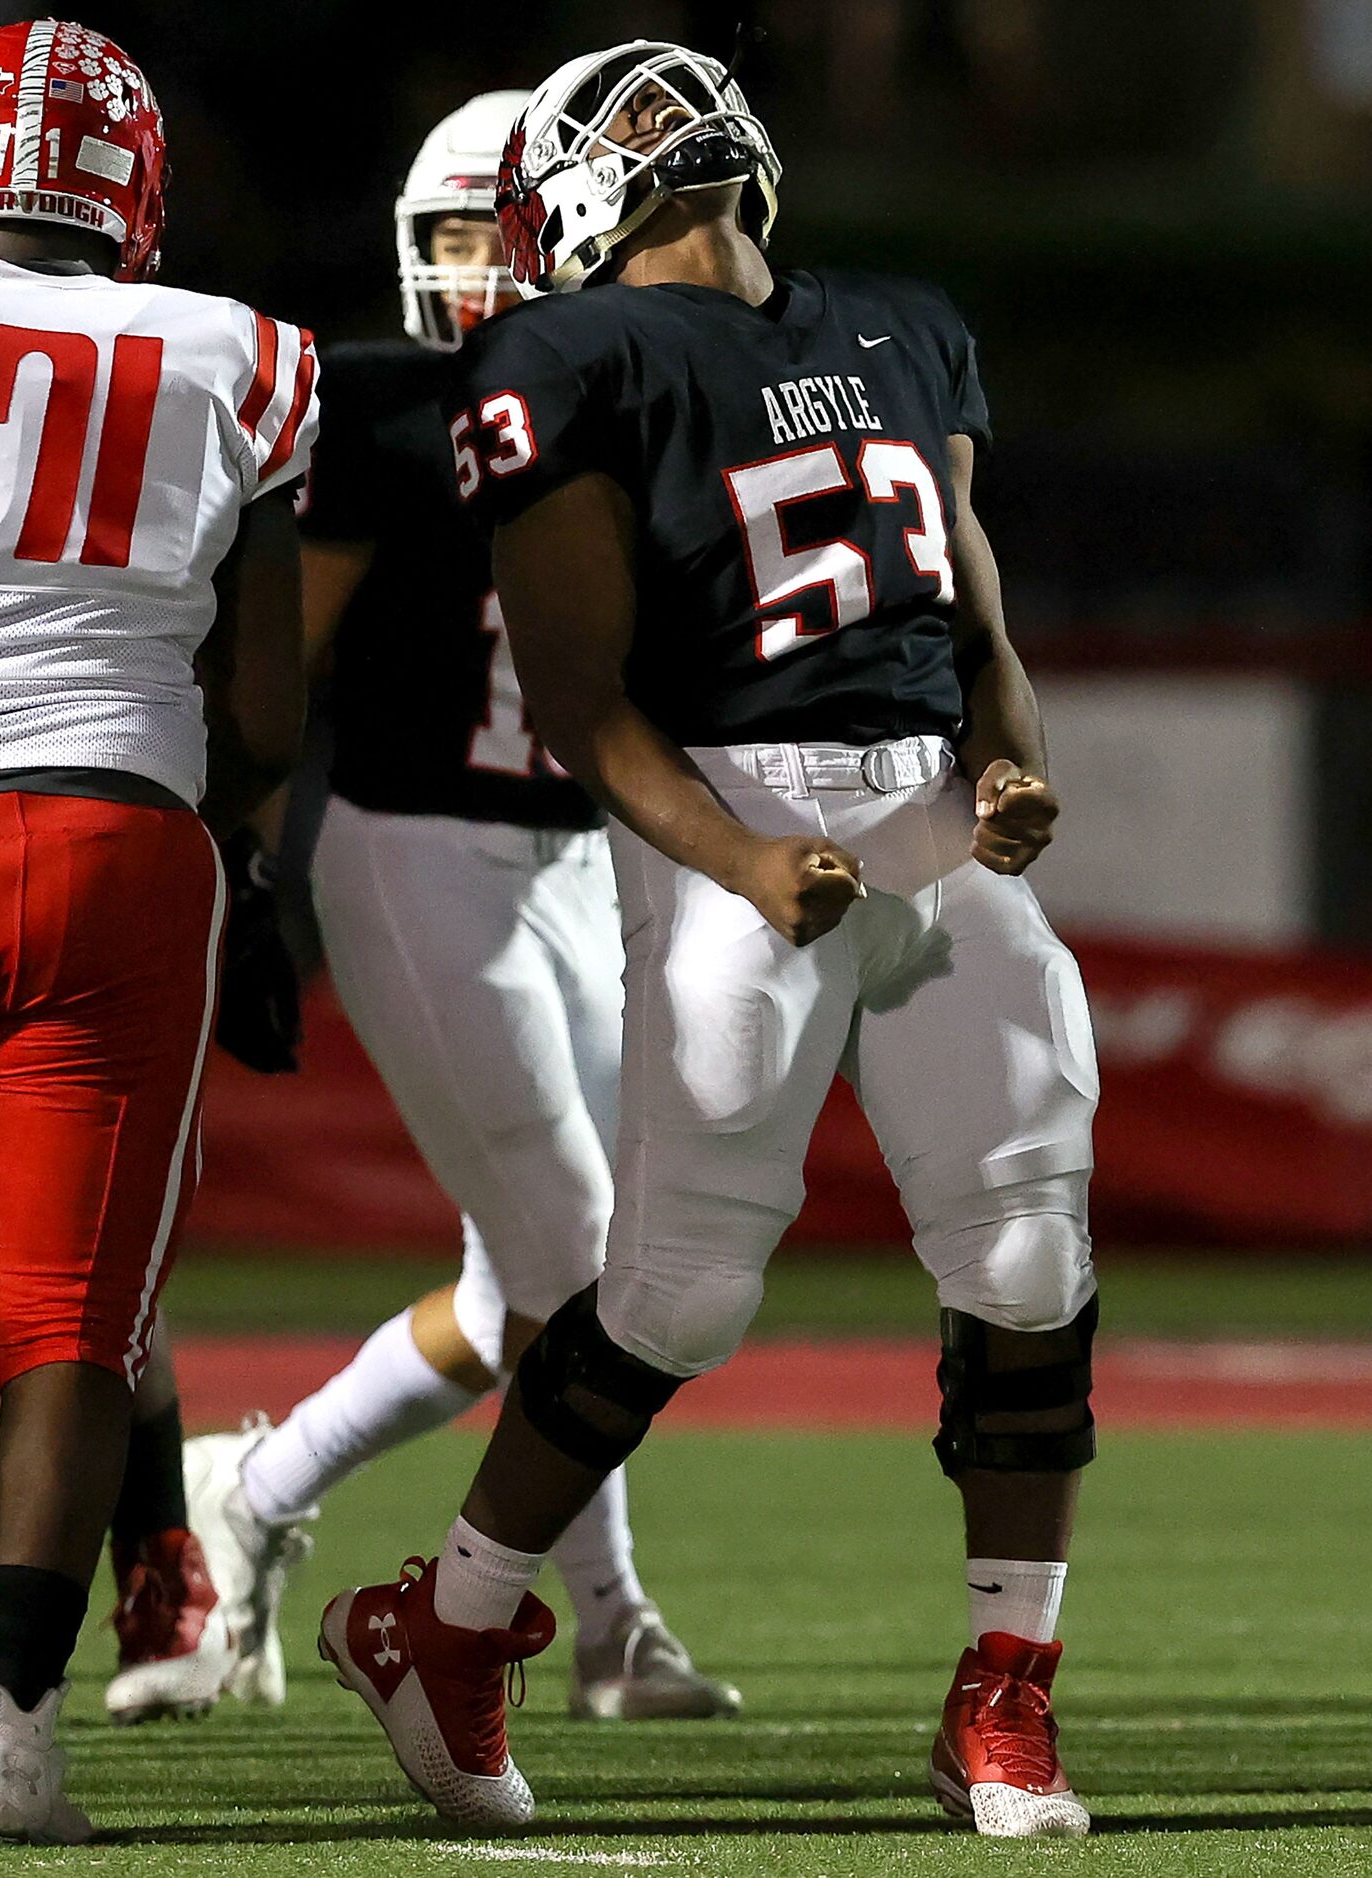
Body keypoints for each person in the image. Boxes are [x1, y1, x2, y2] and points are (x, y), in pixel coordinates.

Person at [318, 39, 1101, 1840]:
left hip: (924, 817)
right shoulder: (561, 357)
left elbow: (977, 615)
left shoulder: (904, 322)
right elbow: (589, 706)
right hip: (728, 811)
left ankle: (1005, 1698)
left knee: (1028, 1249)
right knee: (679, 1285)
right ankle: (443, 1625)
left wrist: (1012, 775)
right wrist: (749, 863)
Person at [184, 90, 737, 1726]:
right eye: (447, 237)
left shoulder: (632, 393)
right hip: (423, 854)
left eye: (504, 231)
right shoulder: (390, 404)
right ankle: (616, 1627)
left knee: (540, 1277)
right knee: (583, 1261)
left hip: (582, 859)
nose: (477, 269)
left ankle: (260, 1484)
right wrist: (248, 856)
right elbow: (299, 643)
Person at [0, 17, 313, 1840]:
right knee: (65, 1328)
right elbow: (263, 707)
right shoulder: (248, 355)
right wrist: (235, 852)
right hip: (112, 833)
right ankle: (8, 1722)